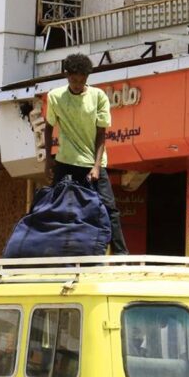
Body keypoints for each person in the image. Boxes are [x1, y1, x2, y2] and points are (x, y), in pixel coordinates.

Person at [43, 52, 128, 255]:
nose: (77, 85)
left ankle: (121, 254)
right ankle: (51, 251)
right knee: (55, 206)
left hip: (92, 162)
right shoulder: (55, 97)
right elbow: (48, 127)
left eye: (82, 81)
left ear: (87, 78)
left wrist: (96, 166)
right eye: (74, 80)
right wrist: (48, 159)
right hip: (66, 161)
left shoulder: (98, 97)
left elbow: (101, 134)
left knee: (109, 208)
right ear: (67, 76)